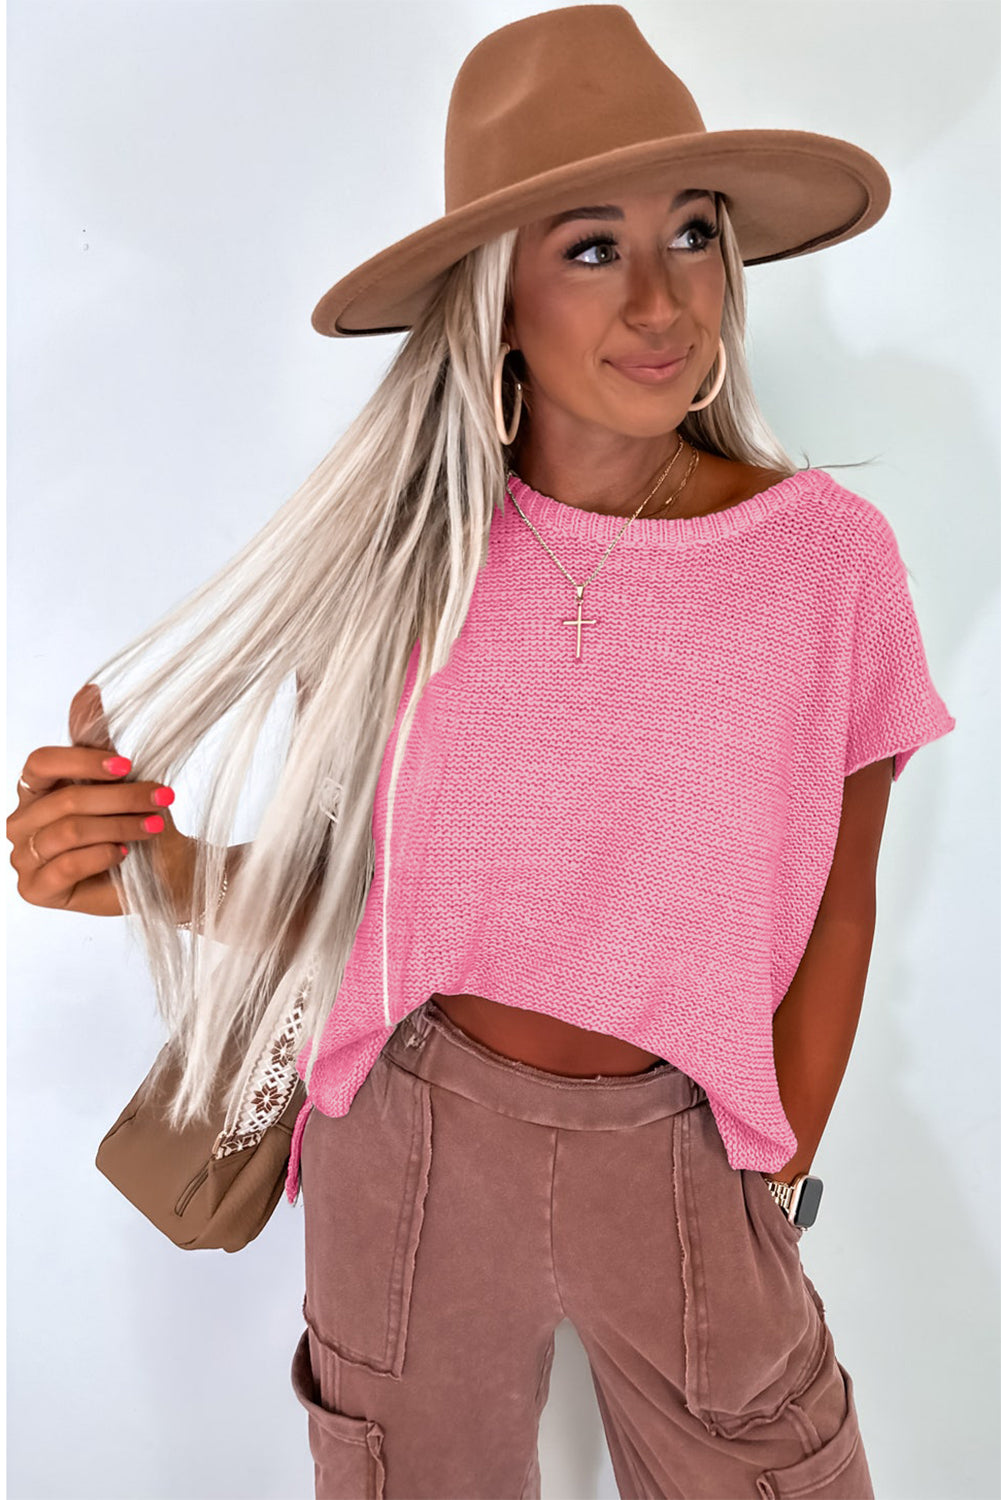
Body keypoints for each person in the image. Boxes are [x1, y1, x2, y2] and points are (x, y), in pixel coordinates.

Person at [6, 6, 957, 1498]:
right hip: (412, 1133)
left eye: (690, 234)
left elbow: (843, 900)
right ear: (495, 299)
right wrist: (147, 869)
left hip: (689, 1150)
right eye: (590, 249)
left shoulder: (823, 563)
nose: (660, 299)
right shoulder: (405, 569)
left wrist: (771, 1172)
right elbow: (368, 903)